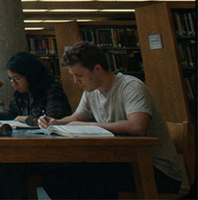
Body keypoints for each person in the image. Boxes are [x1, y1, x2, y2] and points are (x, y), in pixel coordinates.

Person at [38, 41, 186, 200]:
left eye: (79, 75)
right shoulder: (91, 91)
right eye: (72, 76)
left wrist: (89, 126)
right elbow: (76, 118)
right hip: (123, 161)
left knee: (87, 181)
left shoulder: (130, 87)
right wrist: (56, 122)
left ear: (97, 69)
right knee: (55, 177)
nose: (75, 81)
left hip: (155, 170)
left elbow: (138, 127)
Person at [0, 52, 72, 199]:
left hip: (50, 152)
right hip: (24, 151)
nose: (14, 84)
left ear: (31, 74)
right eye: (11, 80)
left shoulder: (52, 90)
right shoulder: (21, 94)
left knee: (12, 171)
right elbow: (11, 114)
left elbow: (51, 120)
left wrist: (26, 119)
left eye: (16, 79)